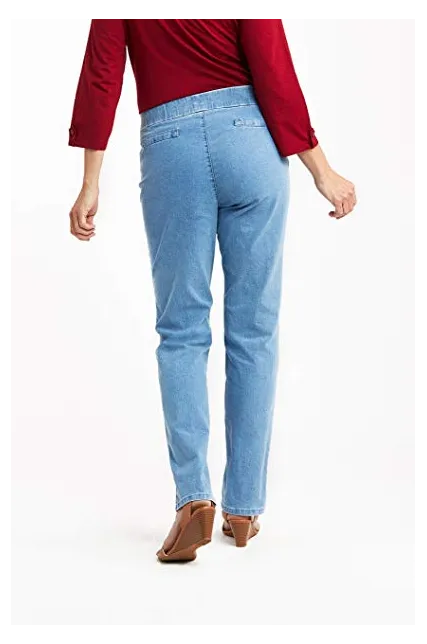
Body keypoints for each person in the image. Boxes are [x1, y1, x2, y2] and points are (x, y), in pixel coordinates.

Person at [68, 17, 356, 563]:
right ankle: (244, 509)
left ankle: (194, 499)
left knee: (181, 331)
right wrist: (322, 170)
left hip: (170, 144)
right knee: (254, 332)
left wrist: (89, 183)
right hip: (250, 138)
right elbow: (273, 69)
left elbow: (101, 76)